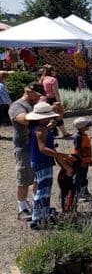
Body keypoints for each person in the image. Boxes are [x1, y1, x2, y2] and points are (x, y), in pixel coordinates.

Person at [26, 102, 74, 229]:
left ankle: (40, 216)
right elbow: (43, 149)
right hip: (43, 162)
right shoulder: (40, 129)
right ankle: (39, 220)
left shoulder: (38, 127)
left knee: (42, 189)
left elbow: (50, 125)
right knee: (43, 191)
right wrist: (62, 155)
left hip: (38, 162)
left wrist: (53, 121)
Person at [8, 83, 46, 221]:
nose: (39, 97)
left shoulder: (34, 104)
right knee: (24, 179)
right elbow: (23, 119)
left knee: (38, 177)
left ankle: (37, 203)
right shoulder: (17, 106)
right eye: (36, 94)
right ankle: (22, 207)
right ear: (28, 91)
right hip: (24, 147)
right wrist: (43, 112)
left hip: (37, 146)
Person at [40, 64, 72, 138]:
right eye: (54, 70)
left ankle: (50, 133)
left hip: (45, 99)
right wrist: (59, 103)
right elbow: (56, 93)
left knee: (48, 117)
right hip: (52, 99)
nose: (55, 72)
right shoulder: (53, 80)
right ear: (51, 71)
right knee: (58, 117)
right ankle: (64, 133)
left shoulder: (42, 79)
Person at [71, 117, 92, 200]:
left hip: (84, 160)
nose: (89, 126)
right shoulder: (78, 137)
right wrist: (82, 161)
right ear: (82, 127)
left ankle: (84, 192)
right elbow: (78, 150)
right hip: (80, 161)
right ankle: (75, 194)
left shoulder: (83, 135)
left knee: (83, 177)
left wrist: (89, 160)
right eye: (87, 125)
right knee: (78, 177)